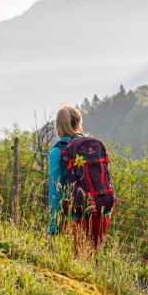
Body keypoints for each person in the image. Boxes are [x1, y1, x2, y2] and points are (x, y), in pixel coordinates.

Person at [47, 106, 112, 255]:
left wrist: (53, 229)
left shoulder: (57, 152)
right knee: (91, 260)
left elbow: (55, 193)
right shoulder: (91, 148)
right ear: (78, 124)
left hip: (74, 216)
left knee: (75, 263)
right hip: (101, 214)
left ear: (58, 126)